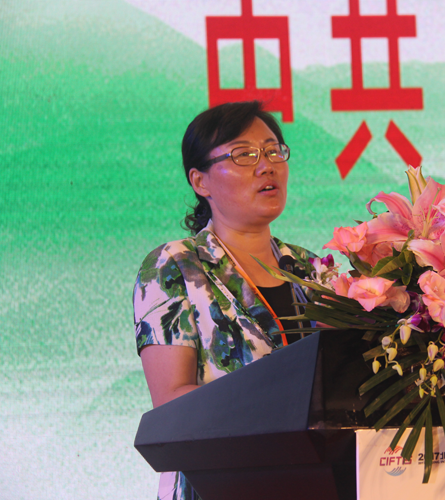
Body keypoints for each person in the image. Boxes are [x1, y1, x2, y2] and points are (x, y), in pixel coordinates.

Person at [132, 101, 315, 500]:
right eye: (243, 154)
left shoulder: (311, 270)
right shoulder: (176, 266)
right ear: (200, 181)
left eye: (273, 151)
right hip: (219, 484)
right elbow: (171, 402)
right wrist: (286, 401)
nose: (266, 166)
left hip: (315, 479)